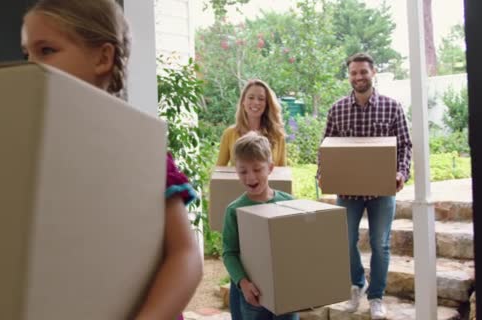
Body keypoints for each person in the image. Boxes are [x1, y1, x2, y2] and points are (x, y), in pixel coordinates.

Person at [21, 1, 203, 319]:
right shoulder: (32, 151)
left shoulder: (140, 153)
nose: (31, 66)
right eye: (27, 55)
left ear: (103, 58)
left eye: (46, 50)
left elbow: (186, 255)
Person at [318, 52, 412, 319]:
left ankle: (376, 296)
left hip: (382, 190)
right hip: (348, 192)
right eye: (353, 73)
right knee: (345, 241)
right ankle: (357, 284)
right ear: (349, 76)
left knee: (380, 243)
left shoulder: (392, 107)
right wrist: (322, 173)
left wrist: (401, 172)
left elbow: (405, 145)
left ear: (373, 73)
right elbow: (325, 147)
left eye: (363, 72)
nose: (358, 77)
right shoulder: (337, 109)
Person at [222, 131, 298, 320]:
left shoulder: (289, 203)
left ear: (270, 168)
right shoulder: (234, 210)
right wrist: (243, 283)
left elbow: (299, 247)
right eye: (243, 171)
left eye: (257, 169)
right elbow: (229, 253)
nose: (250, 177)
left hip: (286, 291)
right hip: (253, 295)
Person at [216, 79, 287, 167]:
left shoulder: (277, 135)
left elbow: (283, 173)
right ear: (243, 102)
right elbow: (219, 170)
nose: (256, 102)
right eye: (251, 97)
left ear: (267, 104)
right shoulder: (229, 134)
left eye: (261, 99)